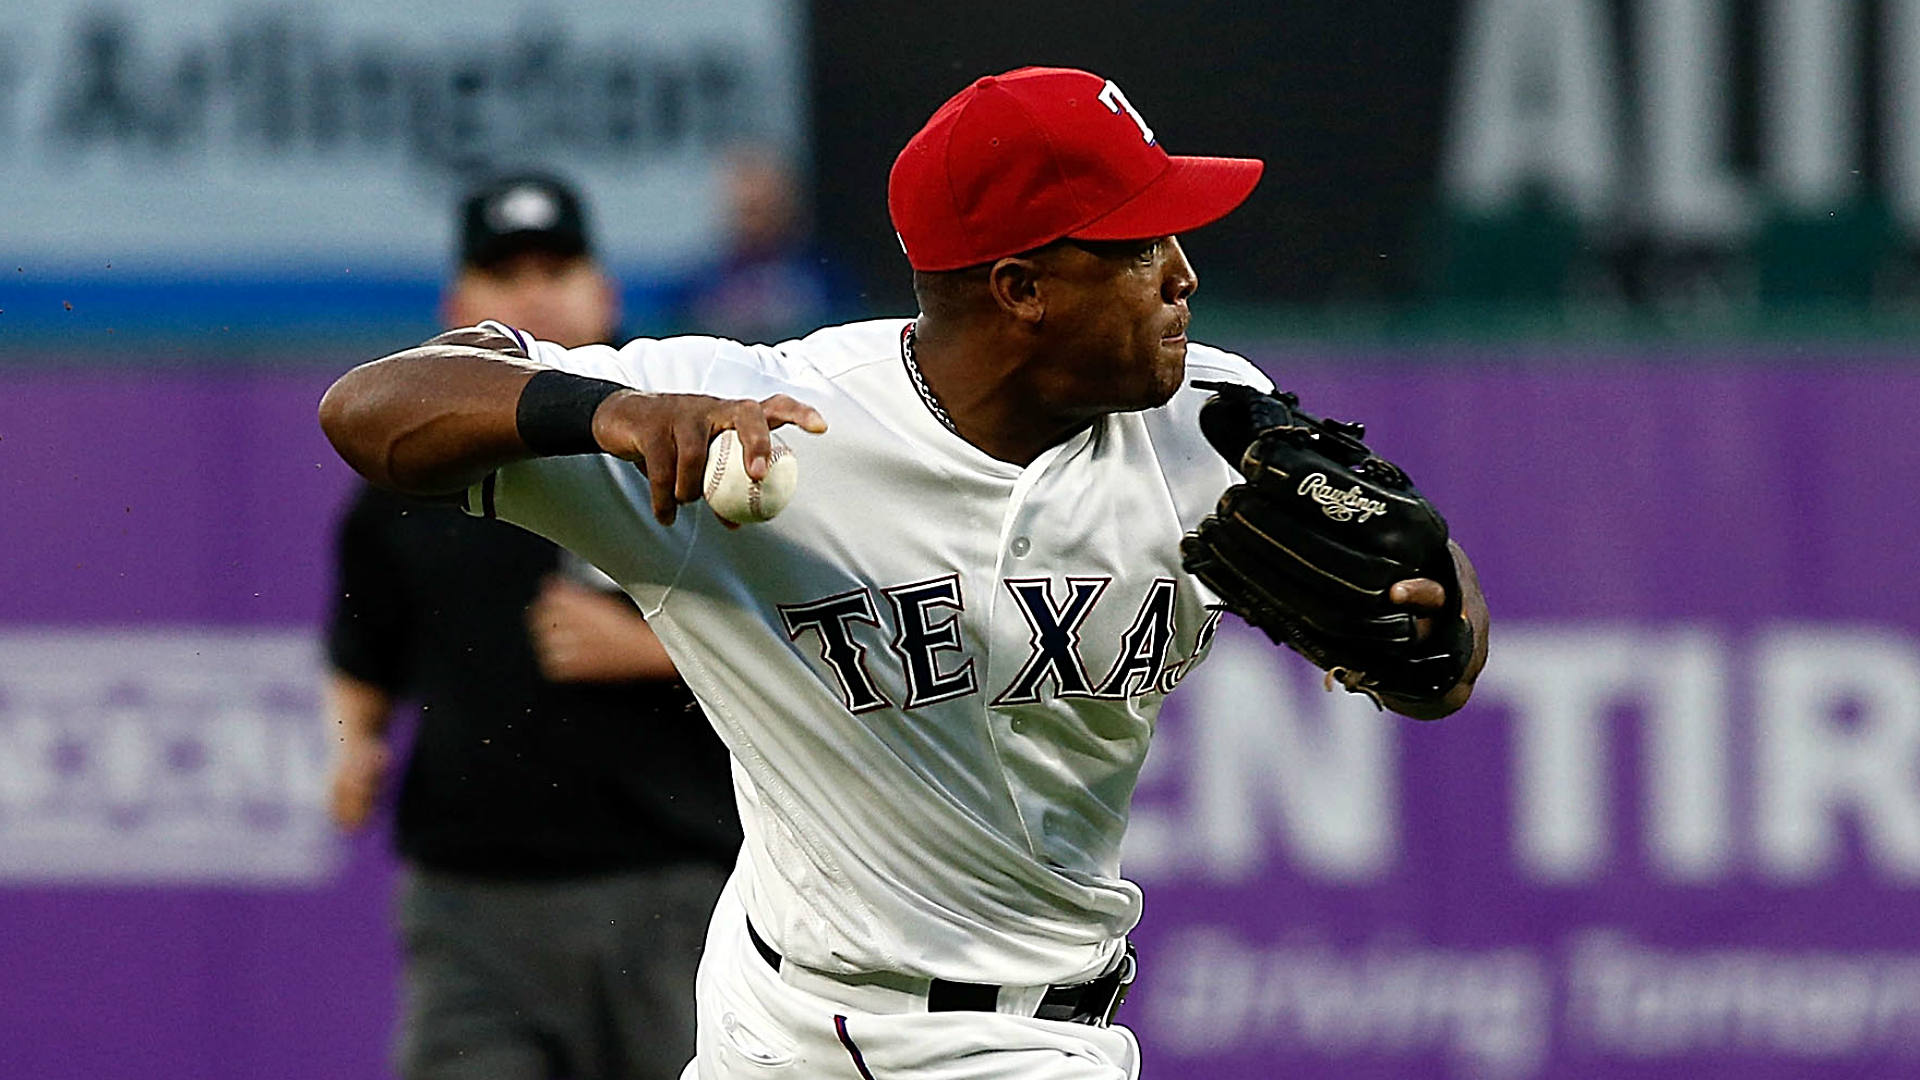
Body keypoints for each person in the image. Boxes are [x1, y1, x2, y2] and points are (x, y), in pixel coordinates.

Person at [319, 68, 1489, 1079]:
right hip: (780, 1028)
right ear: (1021, 288)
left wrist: (1436, 627)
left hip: (1045, 1039)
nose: (1181, 274)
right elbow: (371, 409)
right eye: (1138, 246)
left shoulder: (1207, 422)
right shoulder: (769, 420)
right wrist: (615, 411)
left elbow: (1434, 654)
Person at [323, 172, 740, 1080]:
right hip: (473, 898)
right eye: (505, 273)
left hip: (672, 885)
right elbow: (363, 646)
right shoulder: (413, 464)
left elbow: (810, 630)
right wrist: (354, 743)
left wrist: (652, 648)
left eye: (557, 266)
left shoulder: (685, 433)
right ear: (458, 305)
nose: (534, 292)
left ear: (605, 290)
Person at [674, 145, 850, 343]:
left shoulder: (825, 277)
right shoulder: (705, 282)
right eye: (745, 210)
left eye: (763, 209)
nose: (753, 223)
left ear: (788, 206)